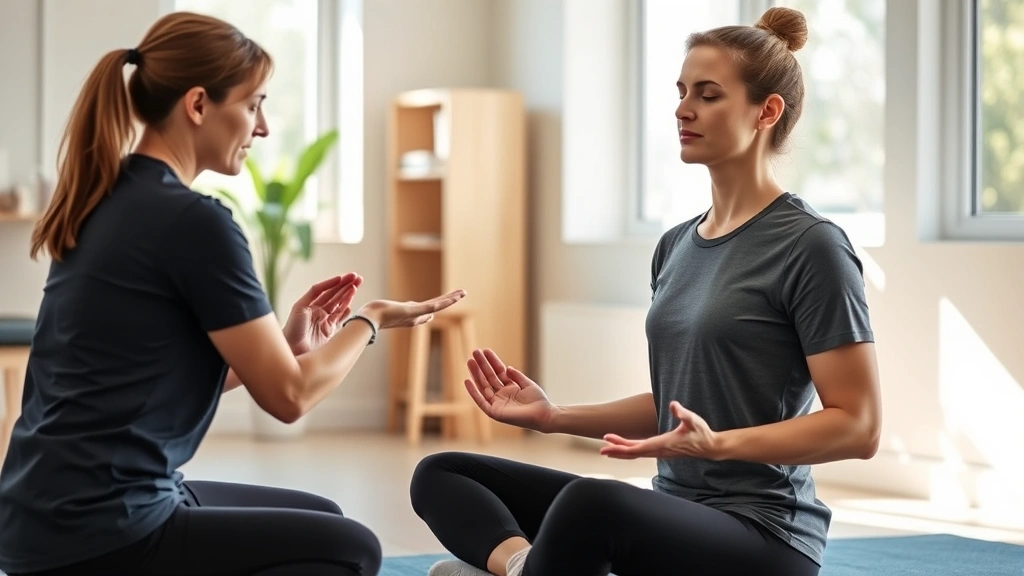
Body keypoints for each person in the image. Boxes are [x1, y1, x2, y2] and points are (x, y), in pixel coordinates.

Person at [410, 7, 882, 576]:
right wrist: (553, 416)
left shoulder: (812, 246)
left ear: (767, 111)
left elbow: (858, 425)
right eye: (682, 91)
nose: (684, 108)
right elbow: (673, 404)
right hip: (674, 513)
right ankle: (521, 570)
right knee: (444, 473)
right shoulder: (676, 244)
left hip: (764, 534)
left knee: (594, 505)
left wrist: (719, 446)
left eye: (708, 95)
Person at [0, 11, 466, 576]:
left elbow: (149, 378)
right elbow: (291, 399)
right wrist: (367, 322)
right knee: (353, 550)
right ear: (198, 105)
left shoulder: (100, 199)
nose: (263, 128)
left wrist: (284, 345)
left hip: (39, 524)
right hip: (106, 534)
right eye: (252, 105)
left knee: (324, 517)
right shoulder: (195, 222)